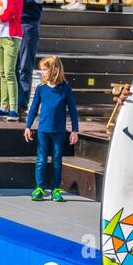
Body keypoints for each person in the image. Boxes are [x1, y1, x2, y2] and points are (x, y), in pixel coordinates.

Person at [24, 55, 80, 202]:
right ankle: (40, 188)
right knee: (41, 160)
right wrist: (27, 126)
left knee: (56, 159)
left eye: (44, 70)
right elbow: (33, 108)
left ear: (55, 69)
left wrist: (75, 130)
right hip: (43, 130)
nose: (42, 73)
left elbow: (73, 110)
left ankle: (56, 189)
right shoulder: (41, 89)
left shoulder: (65, 88)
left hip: (59, 131)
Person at [14, 0, 50, 114]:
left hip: (28, 25)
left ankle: (21, 104)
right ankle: (11, 103)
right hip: (12, 26)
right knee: (11, 68)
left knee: (24, 67)